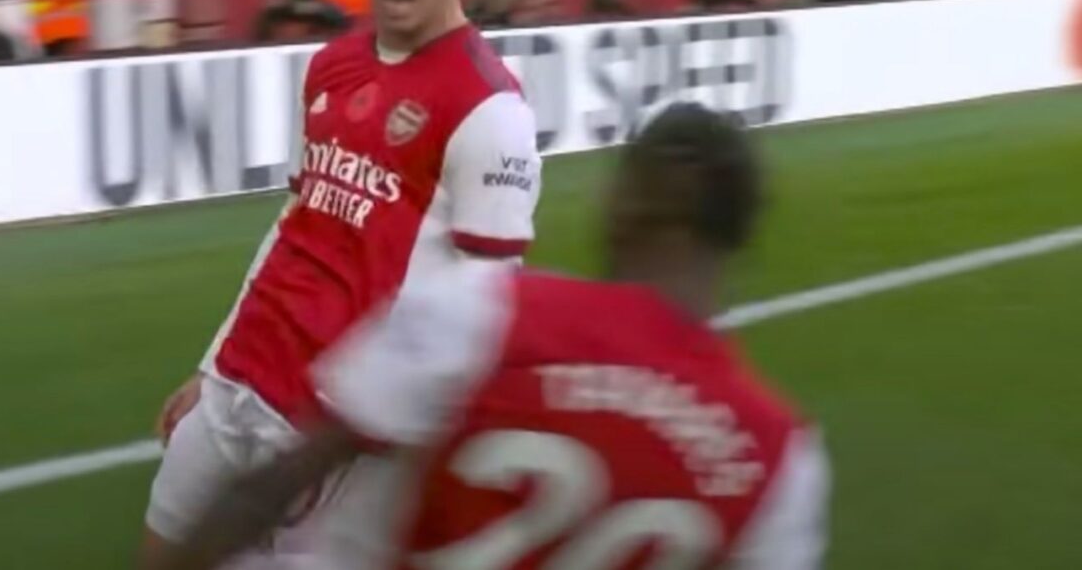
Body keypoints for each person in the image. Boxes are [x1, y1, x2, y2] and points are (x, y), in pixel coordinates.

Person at [180, 103, 830, 570]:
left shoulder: (484, 313)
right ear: (737, 236)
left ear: (630, 198)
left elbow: (272, 485)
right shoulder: (780, 458)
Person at [141, 0, 544, 569]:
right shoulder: (333, 64)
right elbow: (297, 224)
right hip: (240, 379)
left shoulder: (490, 110)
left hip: (335, 432)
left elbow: (490, 308)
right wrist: (210, 363)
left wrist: (399, 436)